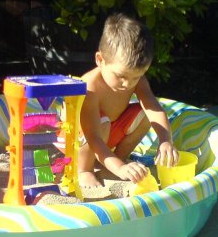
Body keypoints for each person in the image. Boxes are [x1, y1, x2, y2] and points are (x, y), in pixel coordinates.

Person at [76, 13, 179, 188]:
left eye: (136, 77)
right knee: (102, 122)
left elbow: (153, 107)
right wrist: (119, 168)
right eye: (120, 76)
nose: (127, 84)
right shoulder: (90, 87)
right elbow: (92, 136)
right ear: (100, 60)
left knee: (145, 115)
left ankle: (118, 158)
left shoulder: (135, 80)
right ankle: (84, 170)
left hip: (107, 132)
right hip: (80, 139)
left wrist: (165, 140)